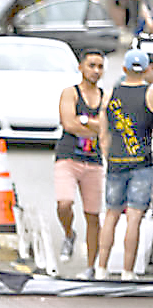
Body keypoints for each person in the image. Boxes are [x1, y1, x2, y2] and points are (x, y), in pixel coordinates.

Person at [96, 50, 153, 281]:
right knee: (134, 217)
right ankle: (128, 272)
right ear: (147, 69)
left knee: (111, 214)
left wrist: (106, 157)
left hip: (116, 161)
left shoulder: (111, 93)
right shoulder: (149, 93)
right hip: (142, 162)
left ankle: (101, 268)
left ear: (124, 69)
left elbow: (103, 132)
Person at [54, 49, 106, 278]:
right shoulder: (70, 93)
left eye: (100, 66)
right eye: (91, 65)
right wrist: (94, 125)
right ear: (81, 67)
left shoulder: (105, 96)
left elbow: (108, 127)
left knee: (93, 214)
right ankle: (69, 234)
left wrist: (83, 119)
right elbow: (69, 124)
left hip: (94, 160)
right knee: (64, 203)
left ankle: (91, 266)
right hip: (68, 157)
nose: (95, 71)